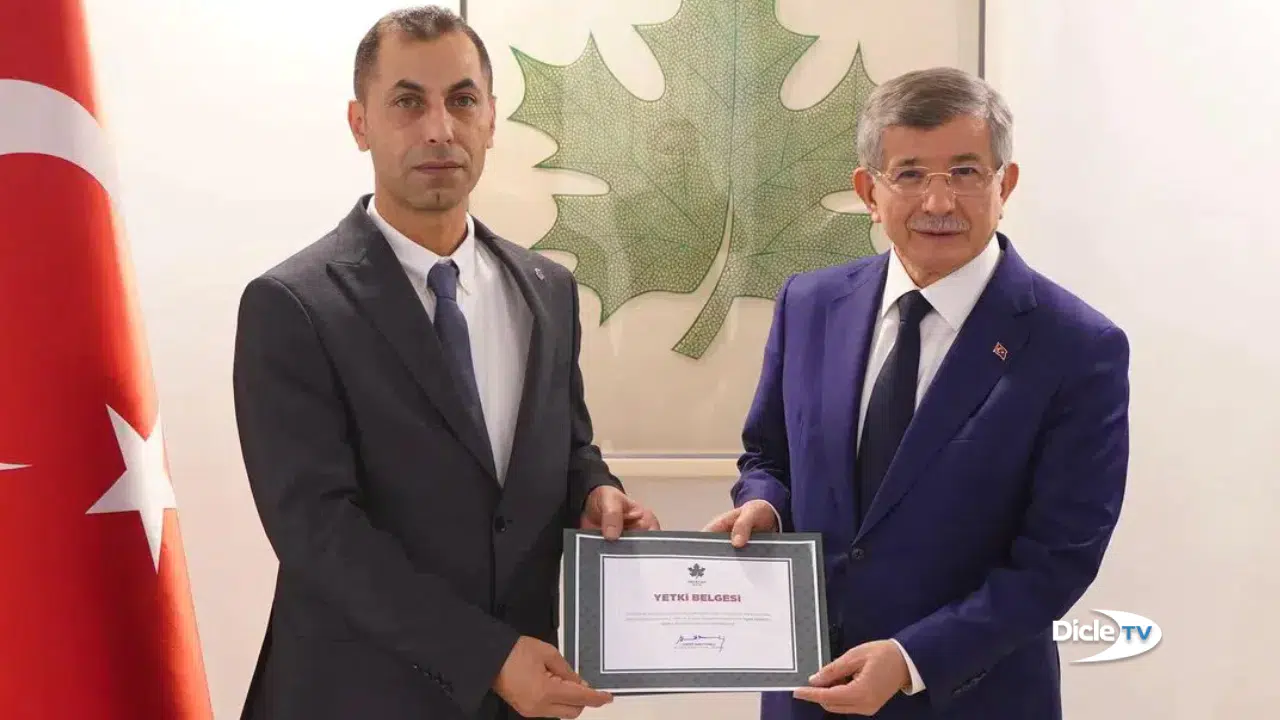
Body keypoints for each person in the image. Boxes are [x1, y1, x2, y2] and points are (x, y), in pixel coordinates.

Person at [231, 7, 659, 719]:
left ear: (490, 119)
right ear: (360, 123)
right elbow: (317, 532)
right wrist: (487, 657)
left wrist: (594, 489)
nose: (439, 129)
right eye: (407, 102)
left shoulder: (548, 291)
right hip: (355, 698)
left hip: (521, 701)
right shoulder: (291, 304)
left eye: (462, 100)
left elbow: (568, 447)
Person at [703, 67, 1129, 719]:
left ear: (1005, 184)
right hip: (805, 691)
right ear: (869, 192)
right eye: (909, 174)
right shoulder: (809, 304)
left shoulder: (1077, 346)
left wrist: (910, 660)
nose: (938, 201)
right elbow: (769, 455)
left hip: (971, 699)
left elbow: (1058, 560)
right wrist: (766, 507)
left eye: (965, 172)